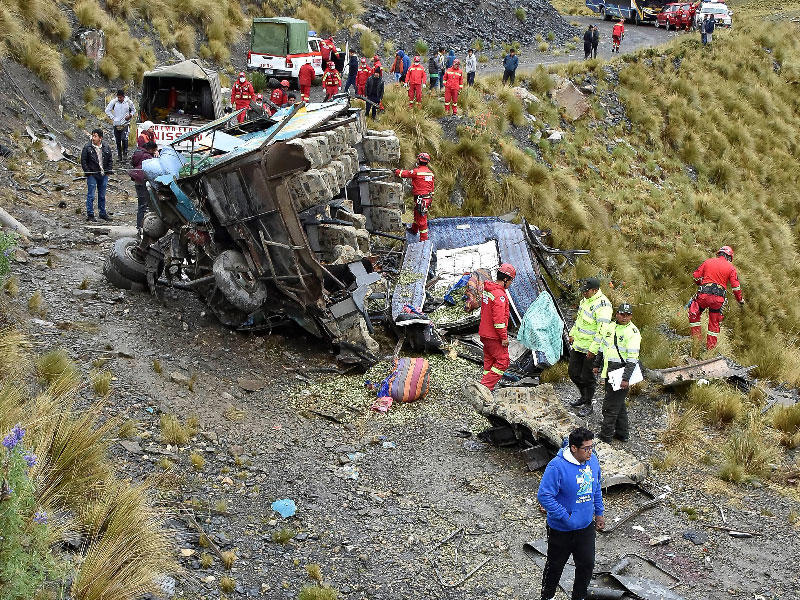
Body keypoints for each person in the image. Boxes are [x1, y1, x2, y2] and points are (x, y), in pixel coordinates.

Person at [537, 427, 605, 600]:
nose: (590, 451)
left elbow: (596, 487)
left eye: (592, 447)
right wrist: (565, 516)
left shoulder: (593, 460)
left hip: (585, 526)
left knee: (587, 565)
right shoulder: (556, 466)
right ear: (573, 448)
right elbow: (544, 496)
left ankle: (579, 596)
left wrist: (599, 513)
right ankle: (547, 596)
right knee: (555, 566)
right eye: (586, 448)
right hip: (561, 529)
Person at [594, 303, 640, 443]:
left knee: (609, 407)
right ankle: (622, 433)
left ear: (631, 316)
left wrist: (625, 378)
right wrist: (597, 364)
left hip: (621, 371)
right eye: (622, 314)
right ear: (617, 314)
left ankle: (605, 436)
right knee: (618, 404)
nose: (624, 317)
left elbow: (632, 359)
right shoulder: (610, 327)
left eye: (628, 315)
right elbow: (603, 347)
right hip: (609, 370)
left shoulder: (633, 333)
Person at [568, 278, 612, 411]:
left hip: (591, 349)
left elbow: (602, 330)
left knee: (588, 377)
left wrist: (593, 349)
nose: (584, 293)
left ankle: (588, 404)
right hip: (579, 345)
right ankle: (584, 396)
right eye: (583, 291)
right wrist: (572, 333)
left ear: (595, 290)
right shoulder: (585, 300)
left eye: (586, 291)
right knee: (573, 373)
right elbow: (579, 320)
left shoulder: (603, 305)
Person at [688, 246, 744, 350]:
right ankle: (710, 349)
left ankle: (696, 342)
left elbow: (695, 276)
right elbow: (736, 287)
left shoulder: (708, 262)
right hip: (718, 300)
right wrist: (740, 300)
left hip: (703, 296)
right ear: (729, 257)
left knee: (694, 313)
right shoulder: (731, 268)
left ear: (719, 254)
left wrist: (700, 283)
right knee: (714, 323)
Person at [478, 264, 517, 390]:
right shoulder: (500, 295)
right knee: (503, 361)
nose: (511, 283)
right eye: (511, 281)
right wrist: (504, 337)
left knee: (489, 360)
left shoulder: (488, 290)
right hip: (493, 335)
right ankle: (484, 387)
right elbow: (499, 321)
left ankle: (485, 386)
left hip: (484, 333)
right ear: (505, 279)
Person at [394, 152, 434, 241]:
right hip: (427, 199)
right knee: (417, 213)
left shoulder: (416, 172)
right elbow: (432, 187)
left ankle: (424, 240)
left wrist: (397, 171)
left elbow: (405, 174)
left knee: (422, 220)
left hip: (421, 199)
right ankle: (414, 229)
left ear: (419, 160)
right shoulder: (430, 173)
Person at [80, 129, 113, 222]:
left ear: (100, 138)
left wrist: (108, 171)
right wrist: (88, 172)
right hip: (92, 174)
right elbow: (83, 161)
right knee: (91, 195)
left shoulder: (106, 147)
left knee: (102, 195)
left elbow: (110, 159)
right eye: (92, 136)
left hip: (103, 174)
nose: (93, 138)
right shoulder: (87, 147)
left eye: (95, 136)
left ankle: (102, 213)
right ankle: (90, 214)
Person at [129, 141, 158, 230]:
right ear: (151, 149)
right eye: (154, 150)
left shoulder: (138, 153)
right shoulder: (148, 157)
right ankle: (143, 227)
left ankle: (139, 226)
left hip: (137, 181)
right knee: (147, 204)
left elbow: (133, 163)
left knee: (141, 204)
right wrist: (155, 157)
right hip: (144, 181)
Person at [104, 89, 135, 162]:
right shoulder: (114, 102)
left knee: (124, 139)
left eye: (121, 97)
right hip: (116, 124)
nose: (119, 99)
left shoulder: (128, 102)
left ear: (124, 96)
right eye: (118, 97)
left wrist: (130, 115)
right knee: (118, 141)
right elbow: (107, 110)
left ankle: (125, 155)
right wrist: (113, 118)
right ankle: (119, 156)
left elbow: (134, 110)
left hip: (125, 124)